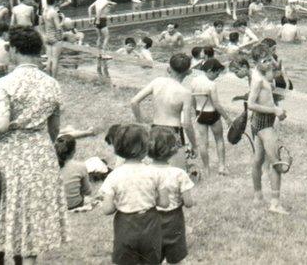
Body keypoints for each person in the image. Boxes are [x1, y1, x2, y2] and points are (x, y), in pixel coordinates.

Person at [0, 27, 68, 263]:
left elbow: (2, 124)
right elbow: (54, 128)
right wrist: (42, 144)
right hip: (40, 152)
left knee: (6, 208)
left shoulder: (5, 83)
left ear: (13, 49)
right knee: (32, 211)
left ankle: (2, 255)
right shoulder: (52, 84)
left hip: (9, 153)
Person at [98, 124, 164, 265]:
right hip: (151, 223)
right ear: (145, 148)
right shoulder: (154, 172)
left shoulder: (114, 176)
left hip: (125, 225)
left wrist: (121, 201)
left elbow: (107, 209)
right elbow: (164, 202)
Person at [130, 53, 199, 162]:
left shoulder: (157, 82)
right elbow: (186, 124)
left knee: (155, 165)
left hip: (155, 128)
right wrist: (194, 145)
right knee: (176, 170)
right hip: (173, 131)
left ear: (169, 68)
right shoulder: (185, 93)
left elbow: (134, 102)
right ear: (188, 72)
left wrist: (141, 123)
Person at [247, 46, 290, 214]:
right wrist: (274, 110)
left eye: (268, 60)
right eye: (263, 61)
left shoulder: (260, 72)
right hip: (264, 124)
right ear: (256, 62)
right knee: (276, 164)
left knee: (258, 159)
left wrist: (271, 60)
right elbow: (250, 104)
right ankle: (275, 203)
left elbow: (274, 73)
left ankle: (258, 196)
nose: (267, 64)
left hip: (258, 123)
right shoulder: (257, 80)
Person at [149, 126, 195, 264]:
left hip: (149, 219)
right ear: (173, 149)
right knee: (176, 257)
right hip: (173, 220)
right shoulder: (179, 174)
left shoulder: (144, 173)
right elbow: (188, 203)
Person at [187, 58, 232, 176]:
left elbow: (192, 100)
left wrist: (196, 110)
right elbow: (216, 104)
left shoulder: (194, 81)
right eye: (217, 73)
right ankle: (221, 166)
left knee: (203, 143)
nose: (217, 76)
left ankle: (206, 169)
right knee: (219, 139)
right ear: (211, 71)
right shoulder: (211, 84)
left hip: (200, 113)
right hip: (212, 113)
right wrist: (227, 118)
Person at [56, 134, 93, 211]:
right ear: (74, 150)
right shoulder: (80, 166)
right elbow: (87, 191)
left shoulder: (50, 167)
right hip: (75, 204)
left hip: (56, 206)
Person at [89, 0, 115, 79]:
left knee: (99, 37)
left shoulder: (99, 0)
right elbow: (100, 10)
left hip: (96, 19)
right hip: (101, 20)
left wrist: (90, 19)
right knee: (107, 37)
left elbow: (90, 8)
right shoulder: (105, 1)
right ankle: (103, 54)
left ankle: (98, 53)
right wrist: (99, 20)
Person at [42, 0, 65, 77]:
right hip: (55, 37)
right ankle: (54, 79)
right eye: (59, 1)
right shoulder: (54, 12)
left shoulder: (45, 11)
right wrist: (63, 20)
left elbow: (42, 23)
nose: (60, 2)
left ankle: (48, 77)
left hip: (48, 36)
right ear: (55, 1)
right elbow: (58, 27)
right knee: (55, 59)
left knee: (49, 59)